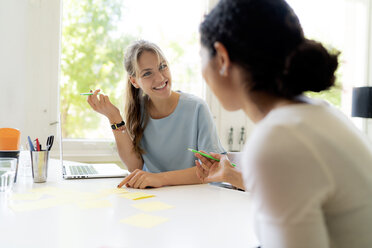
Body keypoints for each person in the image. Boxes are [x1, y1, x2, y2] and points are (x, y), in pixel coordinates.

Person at [195, 0, 372, 247]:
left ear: (222, 58)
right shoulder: (316, 114)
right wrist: (233, 176)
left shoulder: (278, 138)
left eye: (201, 55)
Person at [86, 40, 225, 189]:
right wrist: (114, 118)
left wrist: (160, 178)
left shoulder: (197, 108)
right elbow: (134, 166)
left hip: (195, 197)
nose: (160, 78)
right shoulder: (138, 111)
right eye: (147, 73)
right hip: (154, 197)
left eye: (162, 67)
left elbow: (212, 170)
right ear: (134, 81)